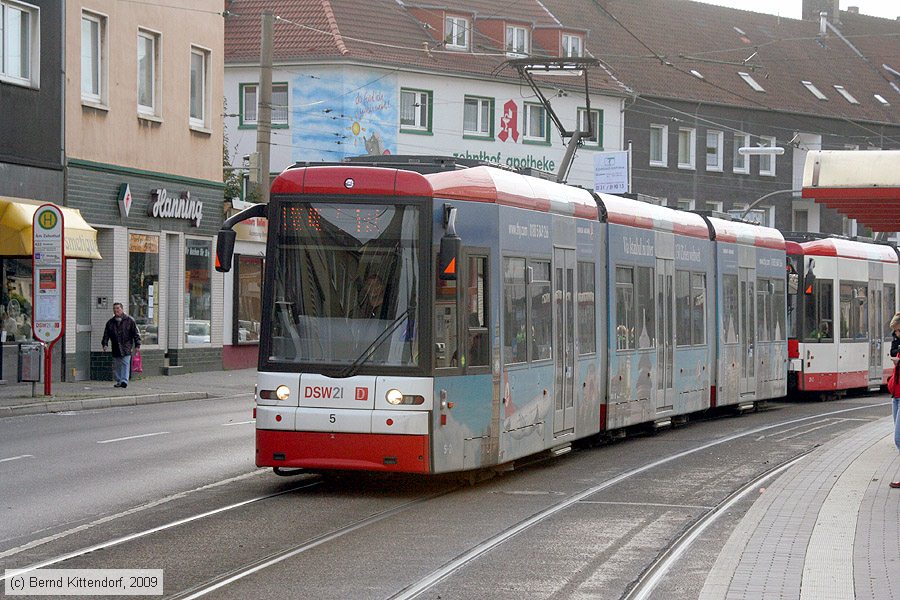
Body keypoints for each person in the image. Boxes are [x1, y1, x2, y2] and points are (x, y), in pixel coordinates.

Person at [102, 302, 141, 388]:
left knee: (125, 363)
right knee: (117, 365)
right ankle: (119, 380)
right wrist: (105, 344)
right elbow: (106, 334)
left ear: (122, 309)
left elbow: (136, 333)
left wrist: (137, 344)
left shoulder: (130, 320)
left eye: (118, 308)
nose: (116, 310)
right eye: (115, 309)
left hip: (126, 346)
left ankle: (124, 380)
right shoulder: (110, 323)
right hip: (115, 346)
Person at [889, 313, 900, 489]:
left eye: (897, 331)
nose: (896, 334)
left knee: (898, 438)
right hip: (896, 395)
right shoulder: (896, 341)